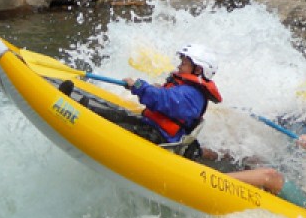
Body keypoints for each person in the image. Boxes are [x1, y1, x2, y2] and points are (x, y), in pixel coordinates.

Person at [200, 78, 306, 210]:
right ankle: (196, 152)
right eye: (304, 105)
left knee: (269, 175)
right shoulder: (296, 117)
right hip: (289, 176)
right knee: (244, 154)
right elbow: (267, 122)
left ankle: (204, 183)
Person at [60, 44, 222, 152]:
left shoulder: (192, 95)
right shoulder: (189, 89)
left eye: (185, 63)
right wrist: (153, 88)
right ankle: (79, 106)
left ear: (199, 70)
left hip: (158, 137)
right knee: (116, 115)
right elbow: (168, 98)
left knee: (116, 124)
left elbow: (164, 100)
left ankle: (74, 113)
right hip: (151, 126)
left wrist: (139, 87)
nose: (179, 66)